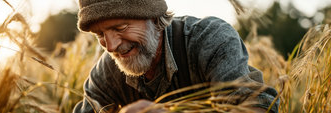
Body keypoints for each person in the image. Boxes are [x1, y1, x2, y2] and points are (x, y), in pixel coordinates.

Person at [73, 0, 279, 113]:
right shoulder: (106, 73)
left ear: (153, 17)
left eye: (120, 27)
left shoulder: (209, 39)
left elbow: (257, 106)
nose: (111, 46)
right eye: (100, 35)